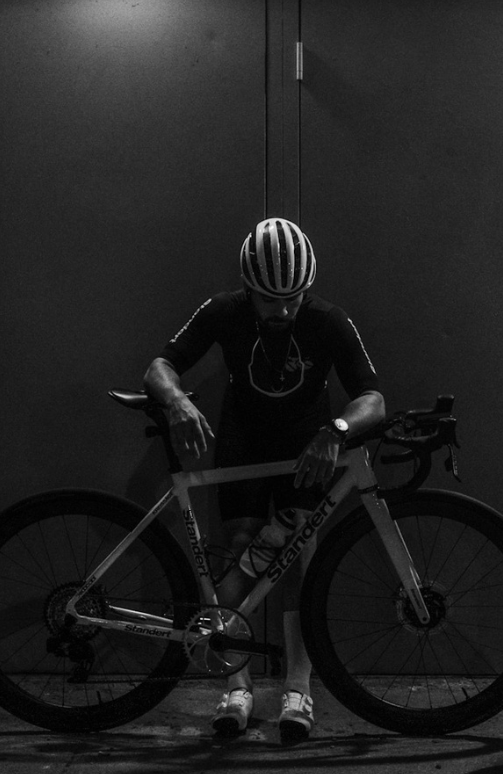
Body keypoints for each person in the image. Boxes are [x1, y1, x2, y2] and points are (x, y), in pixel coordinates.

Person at [144, 217, 385, 744]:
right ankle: (236, 687)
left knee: (300, 559)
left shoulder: (328, 321)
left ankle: (298, 687)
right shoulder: (223, 311)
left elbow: (372, 397)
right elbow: (161, 365)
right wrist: (178, 400)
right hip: (243, 438)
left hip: (307, 445)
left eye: (292, 300)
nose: (281, 311)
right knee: (239, 553)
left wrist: (337, 430)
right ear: (248, 289)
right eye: (269, 301)